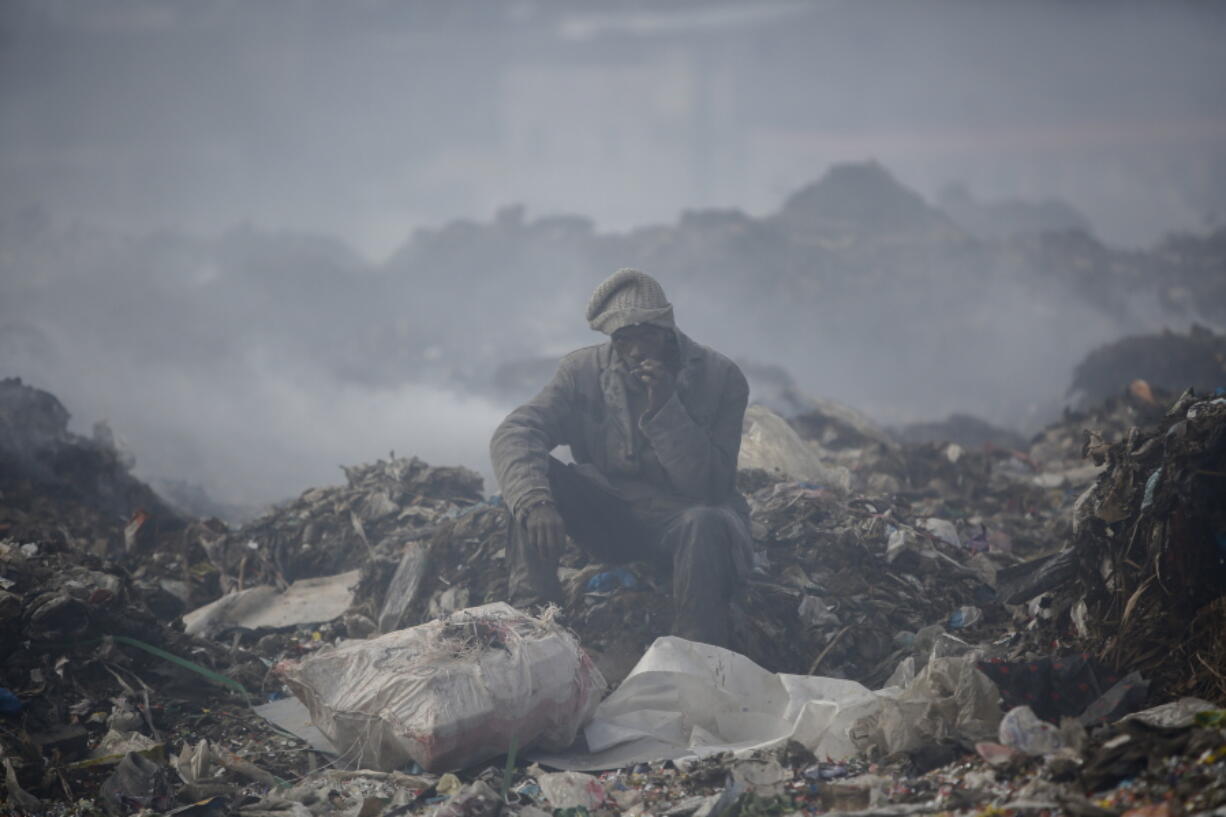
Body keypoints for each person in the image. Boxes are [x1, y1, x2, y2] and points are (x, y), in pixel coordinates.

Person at [490, 268, 753, 648]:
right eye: (623, 339)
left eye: (646, 335)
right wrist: (536, 502)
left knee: (705, 522)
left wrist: (666, 407)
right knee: (533, 481)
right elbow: (516, 431)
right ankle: (535, 627)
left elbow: (709, 487)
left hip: (684, 522)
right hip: (613, 514)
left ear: (667, 329)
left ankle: (697, 654)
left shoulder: (720, 378)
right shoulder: (581, 372)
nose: (635, 350)